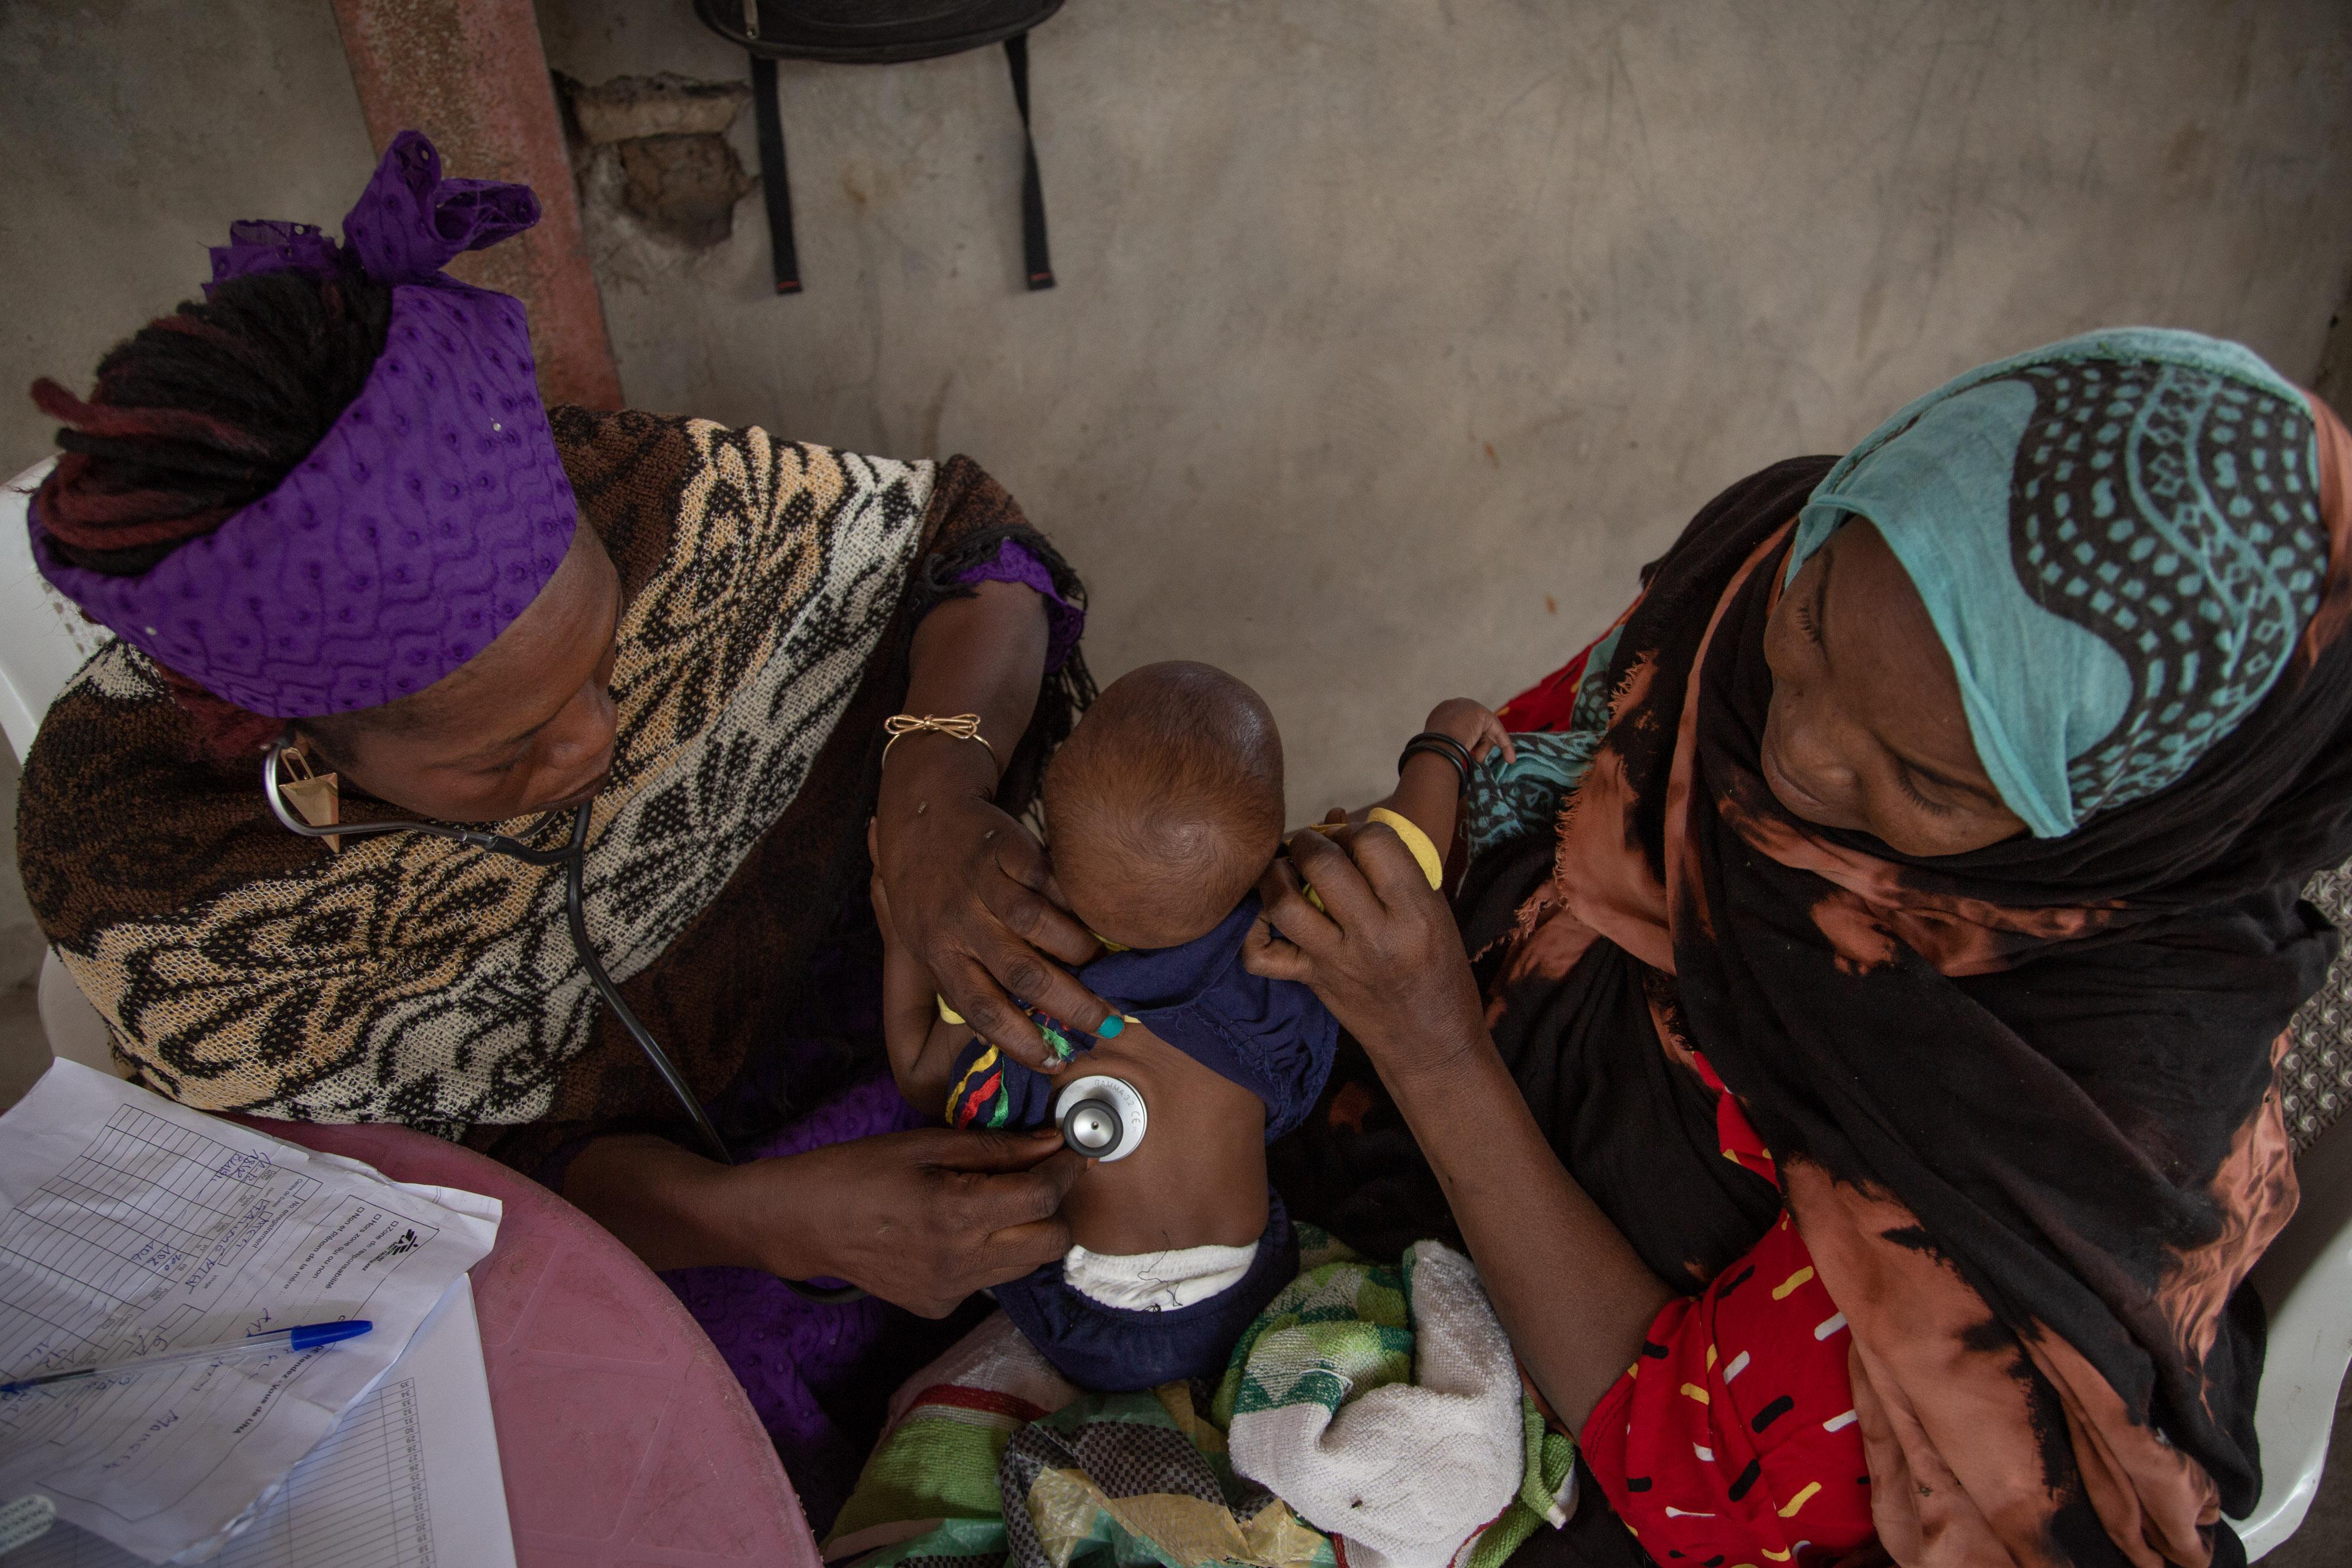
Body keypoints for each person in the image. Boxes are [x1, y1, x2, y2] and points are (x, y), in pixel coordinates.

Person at [12, 132, 1118, 1523]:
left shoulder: (638, 495)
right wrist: (769, 1224)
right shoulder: (157, 873)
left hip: (898, 1049)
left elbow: (970, 551)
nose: (600, 735)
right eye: (510, 749)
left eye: (606, 652)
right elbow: (408, 1207)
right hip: (628, 1252)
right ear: (297, 746)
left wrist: (932, 800)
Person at [1252, 329, 2352, 1567]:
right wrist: (1433, 791)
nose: (1796, 752)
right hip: (1414, 1124)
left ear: (2096, 823)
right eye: (1813, 624)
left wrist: (1435, 1050)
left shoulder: (2044, 1148)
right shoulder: (1786, 552)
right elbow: (1546, 746)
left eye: (1925, 777)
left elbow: (1682, 1473)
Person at [875, 661, 1486, 1390]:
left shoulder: (1009, 954)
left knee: (946, 1074)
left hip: (1081, 1308)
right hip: (1251, 1282)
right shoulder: (1296, 926)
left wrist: (905, 932)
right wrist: (1444, 738)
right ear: (1274, 838)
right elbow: (1411, 845)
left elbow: (919, 1072)